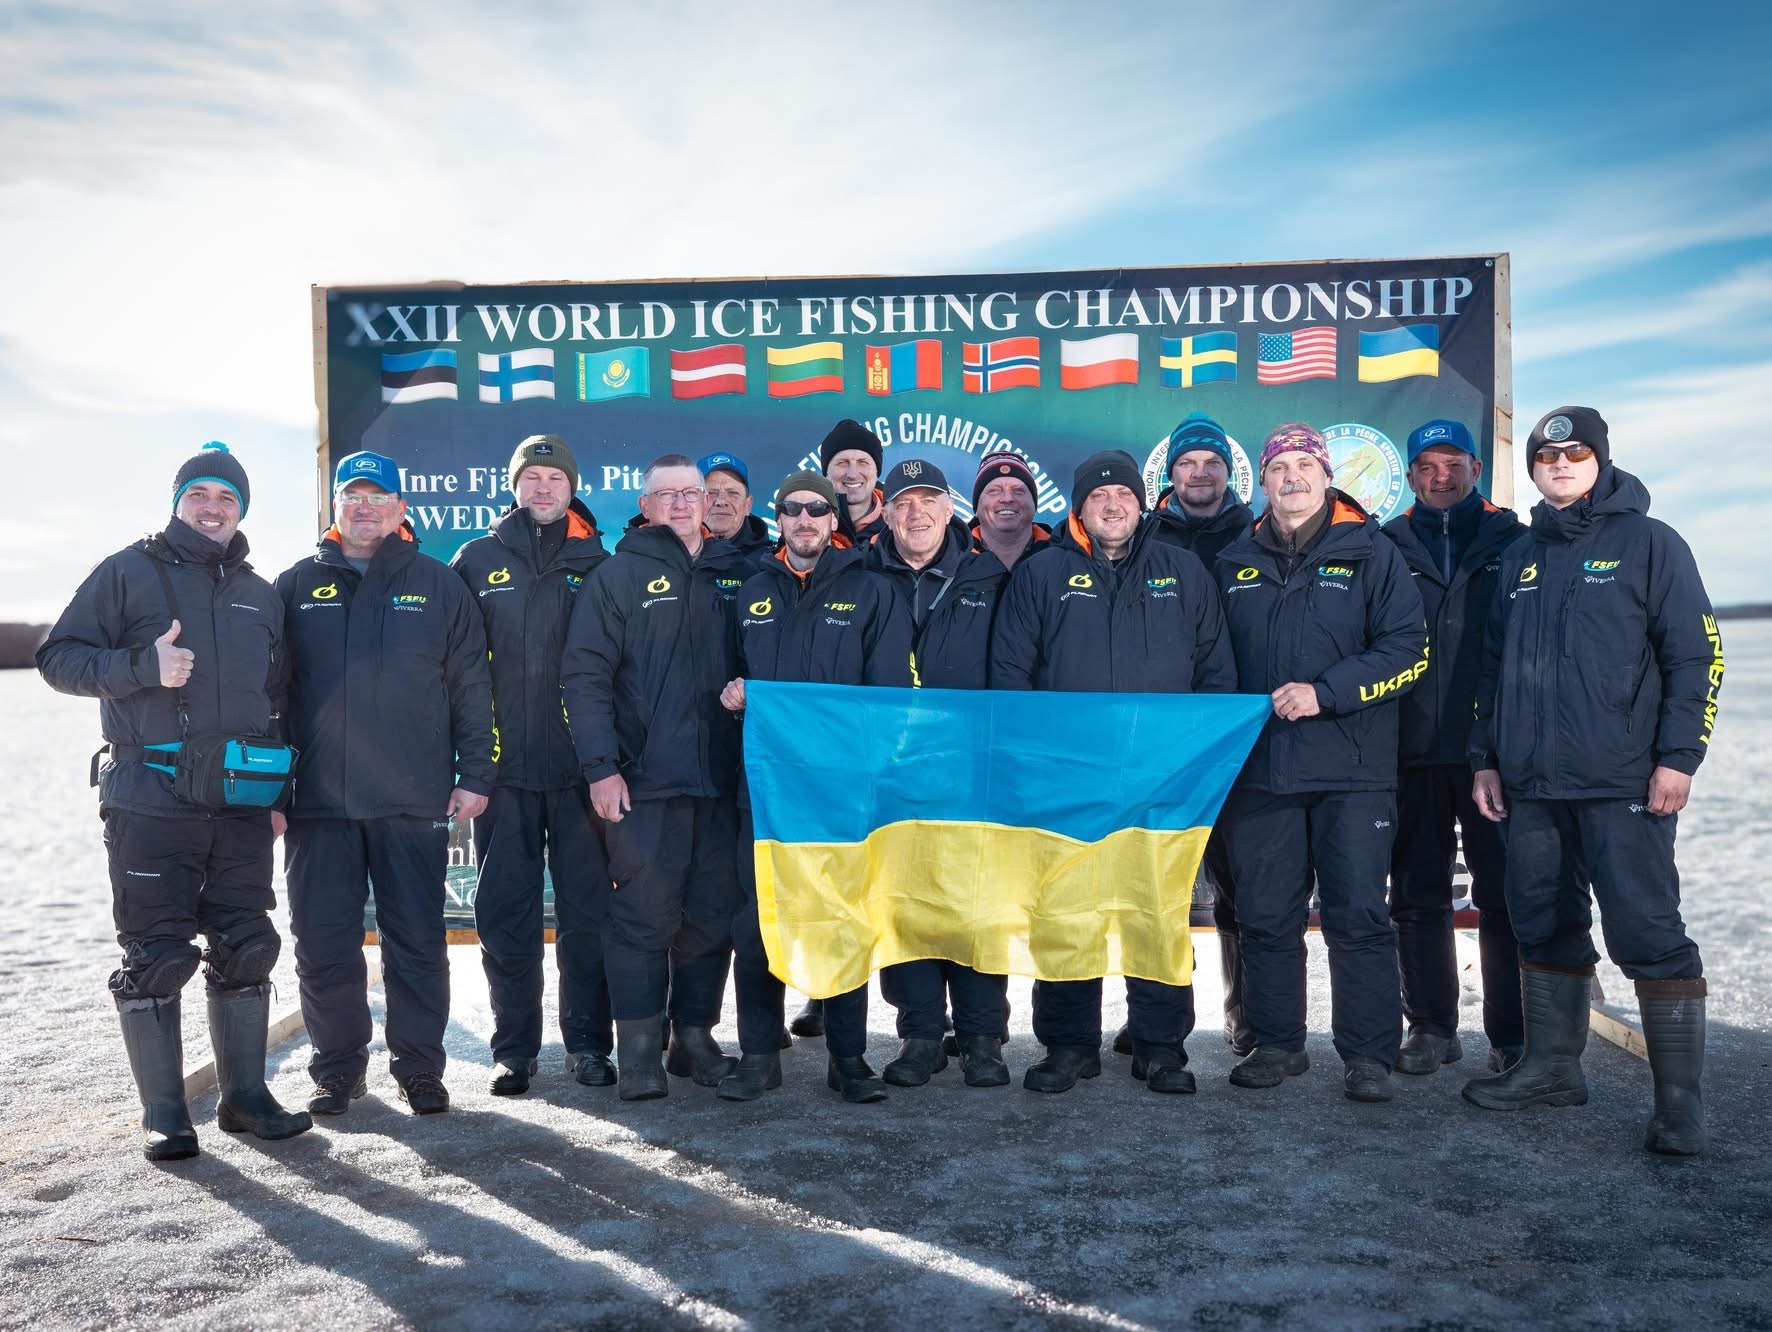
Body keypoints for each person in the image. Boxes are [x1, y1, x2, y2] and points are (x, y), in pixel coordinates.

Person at [38, 443, 312, 1160]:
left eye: (227, 497)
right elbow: (57, 657)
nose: (213, 507)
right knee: (157, 957)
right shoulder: (128, 572)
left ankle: (246, 1100)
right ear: (177, 501)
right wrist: (141, 667)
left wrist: (279, 791)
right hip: (150, 797)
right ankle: (165, 1113)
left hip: (241, 803)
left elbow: (276, 700)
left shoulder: (260, 593)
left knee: (248, 947)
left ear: (242, 509)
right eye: (200, 495)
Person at [1465, 407, 1722, 1156]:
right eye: (1547, 456)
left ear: (1600, 461)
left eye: (1575, 453)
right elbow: (1491, 668)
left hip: (1624, 784)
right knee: (1541, 921)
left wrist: (1680, 758)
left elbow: (1696, 659)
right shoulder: (1521, 555)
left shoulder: (1650, 543)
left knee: (1647, 929)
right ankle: (1550, 1069)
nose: (1560, 464)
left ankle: (1679, 1104)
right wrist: (1486, 754)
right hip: (1532, 785)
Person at [991, 449, 1236, 1095]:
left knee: (1155, 914)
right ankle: (1069, 1045)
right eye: (1098, 496)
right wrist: (1031, 770)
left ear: (1141, 502)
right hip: (1068, 785)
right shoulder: (1042, 576)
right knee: (1066, 915)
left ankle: (1160, 1047)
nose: (1112, 505)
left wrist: (1198, 764)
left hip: (1161, 785)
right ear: (1079, 508)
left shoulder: (1182, 572)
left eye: (1123, 495)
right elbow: (1010, 679)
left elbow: (1215, 674)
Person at [277, 450, 495, 1117]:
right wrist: (273, 793)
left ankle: (421, 1070)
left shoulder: (437, 584)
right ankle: (338, 1072)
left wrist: (477, 772)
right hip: (319, 802)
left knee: (417, 942)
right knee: (322, 942)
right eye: (353, 496)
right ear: (336, 507)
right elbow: (270, 695)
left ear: (402, 509)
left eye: (379, 496)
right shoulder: (294, 586)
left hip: (411, 796)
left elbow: (471, 686)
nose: (365, 506)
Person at [1213, 423, 1426, 1103]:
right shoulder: (1232, 560)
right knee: (1266, 916)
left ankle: (1368, 1056)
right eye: (1280, 467)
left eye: (1306, 465)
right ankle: (1277, 1045)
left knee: (1357, 914)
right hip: (1261, 774)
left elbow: (1408, 649)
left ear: (1327, 476)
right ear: (1263, 480)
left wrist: (1327, 693)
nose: (1293, 478)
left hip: (1353, 773)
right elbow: (1208, 660)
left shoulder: (1372, 552)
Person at [717, 470, 913, 1102]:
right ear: (779, 519)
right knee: (758, 922)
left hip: (840, 794)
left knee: (841, 918)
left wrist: (871, 776)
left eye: (816, 510)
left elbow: (888, 697)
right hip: (766, 792)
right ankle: (757, 1053)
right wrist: (732, 691)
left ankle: (849, 1058)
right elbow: (727, 674)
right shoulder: (750, 591)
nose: (804, 520)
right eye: (793, 510)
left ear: (835, 521)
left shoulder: (872, 591)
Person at [561, 454, 748, 1101]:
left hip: (725, 785)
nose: (678, 504)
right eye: (664, 494)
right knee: (643, 917)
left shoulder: (737, 572)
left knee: (712, 916)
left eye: (689, 493)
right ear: (643, 505)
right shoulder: (618, 577)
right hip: (645, 784)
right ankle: (639, 1052)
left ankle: (691, 1039)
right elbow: (584, 677)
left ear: (707, 502)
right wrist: (601, 769)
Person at [450, 435, 615, 1095]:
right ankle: (513, 1050)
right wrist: (469, 766)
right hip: (505, 776)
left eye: (554, 477)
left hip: (581, 775)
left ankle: (588, 1047)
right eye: (532, 477)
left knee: (587, 919)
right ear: (514, 485)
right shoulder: (477, 559)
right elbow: (456, 670)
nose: (543, 488)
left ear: (572, 486)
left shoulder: (598, 562)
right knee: (506, 916)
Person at [866, 458, 1020, 1087]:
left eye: (929, 500)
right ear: (885, 511)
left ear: (951, 509)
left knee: (978, 904)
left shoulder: (993, 576)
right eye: (903, 502)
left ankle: (984, 1038)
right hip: (892, 776)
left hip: (972, 773)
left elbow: (1016, 671)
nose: (916, 513)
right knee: (906, 905)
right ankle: (922, 1035)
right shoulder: (858, 576)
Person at [1380, 420, 1525, 1075]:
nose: (1441, 476)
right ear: (1410, 475)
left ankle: (1513, 1036)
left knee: (1502, 897)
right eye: (1427, 465)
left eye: (1453, 463)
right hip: (1412, 748)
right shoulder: (1387, 544)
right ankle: (1433, 1029)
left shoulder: (1514, 542)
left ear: (1475, 467)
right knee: (1418, 896)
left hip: (1492, 752)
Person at [1148, 412, 1256, 1058]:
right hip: (1164, 742)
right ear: (1170, 473)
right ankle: (1159, 1018)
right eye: (1187, 463)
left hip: (1240, 736)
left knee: (1240, 890)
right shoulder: (1142, 534)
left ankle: (1246, 1017)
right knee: (1157, 890)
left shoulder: (1260, 533)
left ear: (1229, 471)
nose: (1199, 473)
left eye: (1211, 462)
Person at [969, 450, 1052, 569]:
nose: (1007, 499)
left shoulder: (1064, 558)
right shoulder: (950, 558)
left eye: (1018, 491)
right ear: (977, 507)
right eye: (994, 491)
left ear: (1034, 504)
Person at [699, 451, 776, 574]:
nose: (721, 501)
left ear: (748, 505)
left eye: (732, 493)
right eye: (711, 493)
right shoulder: (670, 556)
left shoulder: (774, 565)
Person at [822, 418, 886, 547]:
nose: (852, 474)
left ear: (877, 471)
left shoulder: (899, 524)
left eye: (863, 462)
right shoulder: (805, 523)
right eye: (842, 463)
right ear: (826, 473)